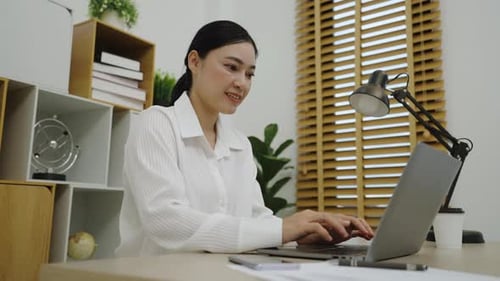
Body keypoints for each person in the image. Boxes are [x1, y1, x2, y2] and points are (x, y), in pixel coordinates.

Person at [115, 20, 373, 257]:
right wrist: (282, 229)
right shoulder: (156, 123)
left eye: (249, 74)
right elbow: (165, 221)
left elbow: (256, 219)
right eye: (231, 67)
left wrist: (305, 233)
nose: (242, 83)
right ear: (195, 61)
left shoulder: (239, 144)